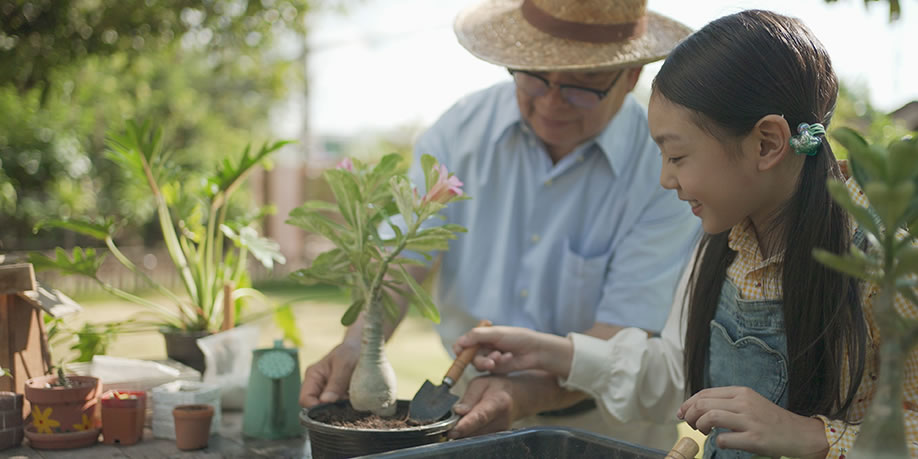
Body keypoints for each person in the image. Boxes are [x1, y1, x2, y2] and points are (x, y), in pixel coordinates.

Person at [452, 8, 918, 459]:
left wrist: (814, 437)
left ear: (767, 143)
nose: (665, 179)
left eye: (676, 157)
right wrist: (551, 351)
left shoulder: (883, 269)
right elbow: (674, 371)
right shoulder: (724, 247)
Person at [299, 0, 700, 450]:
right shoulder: (461, 132)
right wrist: (359, 344)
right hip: (470, 407)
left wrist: (527, 392)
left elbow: (624, 334)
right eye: (535, 75)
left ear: (630, 78)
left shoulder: (663, 172)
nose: (551, 102)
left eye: (580, 86)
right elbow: (403, 256)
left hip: (605, 429)